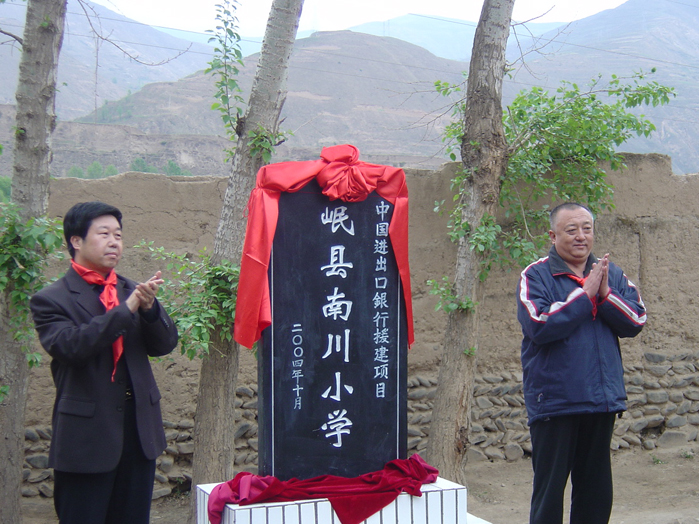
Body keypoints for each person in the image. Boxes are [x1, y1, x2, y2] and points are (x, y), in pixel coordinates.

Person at [30, 201, 179, 524]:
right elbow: (71, 347)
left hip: (138, 434)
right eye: (104, 234)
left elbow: (165, 344)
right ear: (76, 241)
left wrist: (150, 310)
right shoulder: (51, 299)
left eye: (118, 235)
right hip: (87, 439)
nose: (114, 242)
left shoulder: (131, 290)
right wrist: (126, 310)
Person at [516, 202, 646, 524]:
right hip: (555, 402)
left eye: (586, 229)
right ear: (553, 235)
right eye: (571, 230)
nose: (581, 236)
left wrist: (605, 295)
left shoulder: (611, 274)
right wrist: (584, 295)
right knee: (549, 493)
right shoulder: (536, 275)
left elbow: (636, 321)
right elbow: (539, 325)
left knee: (595, 493)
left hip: (600, 400)